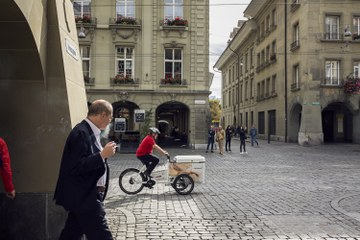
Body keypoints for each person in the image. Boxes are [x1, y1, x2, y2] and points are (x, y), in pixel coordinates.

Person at [54, 99, 117, 240]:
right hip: (85, 197)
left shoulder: (90, 131)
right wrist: (102, 155)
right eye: (110, 117)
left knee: (71, 234)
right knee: (102, 236)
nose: (110, 120)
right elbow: (76, 167)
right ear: (103, 114)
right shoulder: (81, 132)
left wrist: (103, 156)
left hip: (84, 196)